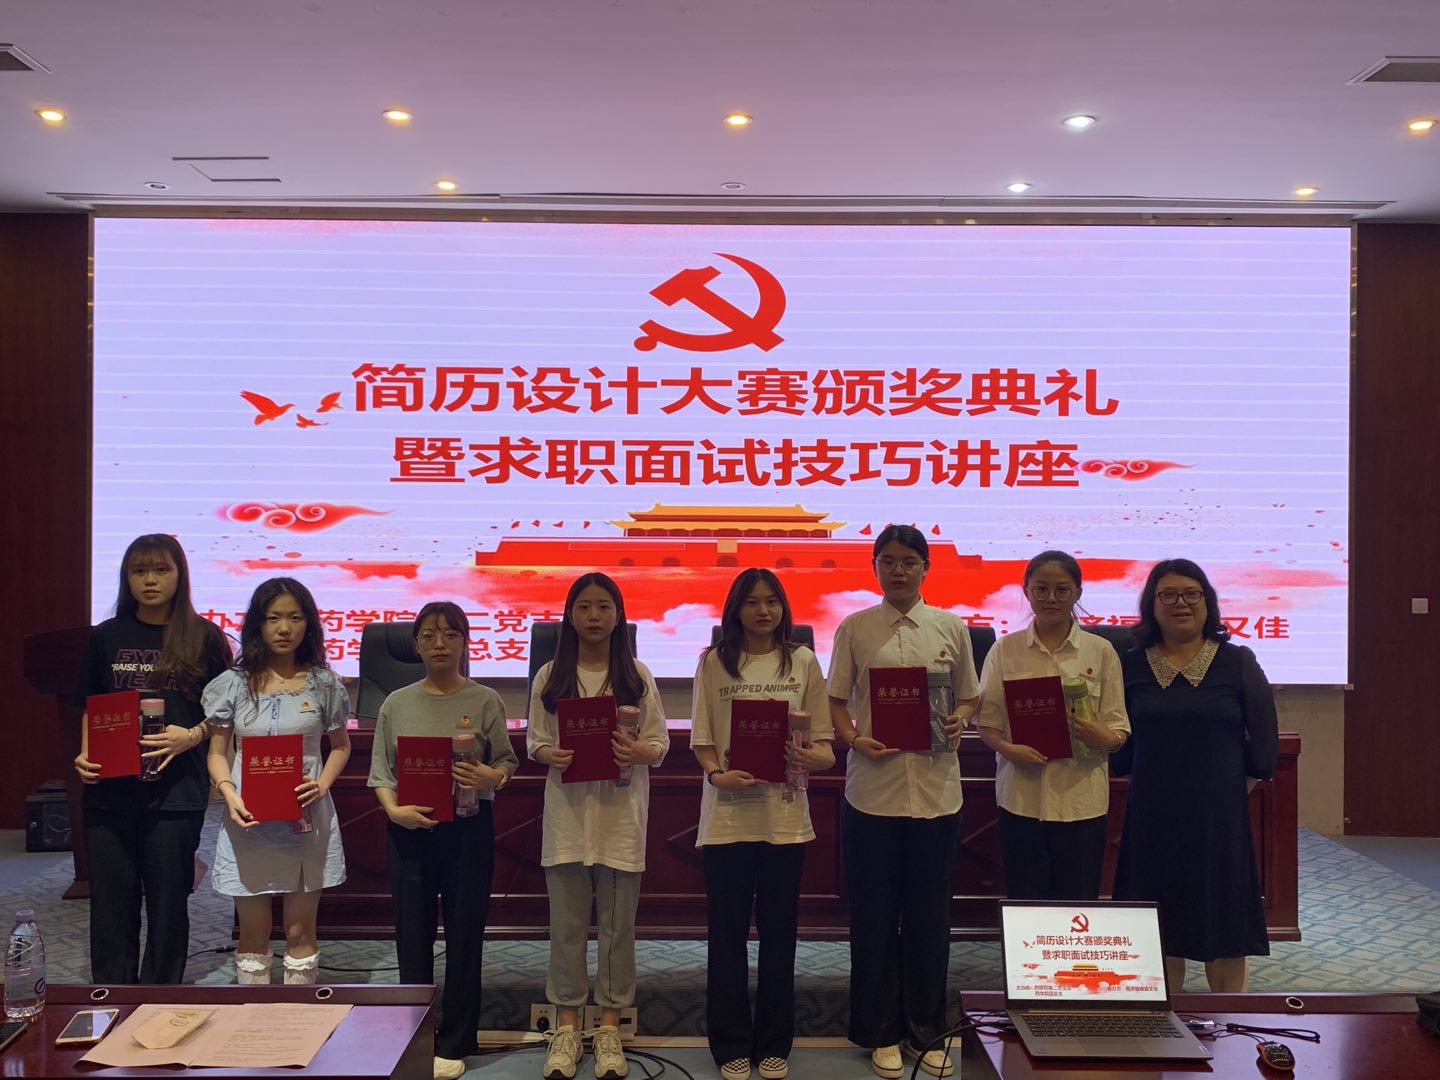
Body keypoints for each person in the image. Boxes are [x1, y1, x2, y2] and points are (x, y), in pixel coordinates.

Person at [827, 525, 978, 1079]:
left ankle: (925, 1029)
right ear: (874, 566)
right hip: (873, 794)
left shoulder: (950, 627)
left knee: (929, 920)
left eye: (908, 561)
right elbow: (836, 701)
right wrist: (852, 738)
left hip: (937, 794)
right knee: (872, 918)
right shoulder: (855, 628)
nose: (897, 570)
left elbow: (969, 695)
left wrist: (959, 719)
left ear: (925, 568)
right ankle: (880, 1032)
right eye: (887, 560)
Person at [690, 569, 835, 1080]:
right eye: (751, 602)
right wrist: (717, 774)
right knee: (726, 935)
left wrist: (808, 757)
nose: (763, 611)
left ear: (783, 608)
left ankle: (774, 1042)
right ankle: (730, 1043)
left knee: (780, 935)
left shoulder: (803, 661)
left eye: (771, 601)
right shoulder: (713, 662)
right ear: (735, 609)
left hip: (784, 819)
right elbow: (703, 740)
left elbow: (825, 747)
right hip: (727, 817)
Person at [1112, 558, 1279, 992]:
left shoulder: (1237, 661)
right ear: (1151, 605)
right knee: (1157, 932)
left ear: (1208, 602)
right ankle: (1161, 1023)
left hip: (1218, 823)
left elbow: (1263, 746)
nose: (1180, 603)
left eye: (1191, 594)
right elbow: (1120, 747)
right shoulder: (1130, 664)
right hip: (1151, 820)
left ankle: (1230, 1022)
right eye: (1167, 595)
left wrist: (1224, 791)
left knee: (1223, 930)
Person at [72, 533, 232, 984]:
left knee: (167, 904)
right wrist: (85, 752)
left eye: (161, 570)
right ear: (127, 578)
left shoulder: (204, 637)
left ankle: (161, 997)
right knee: (111, 905)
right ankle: (112, 996)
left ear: (180, 575)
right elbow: (90, 704)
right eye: (139, 570)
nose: (150, 580)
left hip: (177, 791)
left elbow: (226, 713)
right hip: (110, 791)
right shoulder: (105, 636)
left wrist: (191, 736)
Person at [527, 573, 669, 1080]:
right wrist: (551, 753)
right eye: (584, 607)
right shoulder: (550, 675)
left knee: (616, 930)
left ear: (618, 615)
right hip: (567, 822)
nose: (593, 616)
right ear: (569, 616)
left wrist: (639, 751)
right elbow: (535, 742)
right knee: (566, 929)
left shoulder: (637, 675)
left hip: (619, 820)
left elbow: (660, 745)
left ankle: (609, 1028)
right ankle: (567, 1026)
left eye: (603, 606)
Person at [369, 601, 517, 1080]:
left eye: (450, 634)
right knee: (411, 936)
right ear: (416, 644)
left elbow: (507, 764)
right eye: (429, 635)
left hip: (469, 830)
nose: (439, 644)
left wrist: (489, 776)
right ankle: (414, 1036)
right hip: (409, 831)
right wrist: (394, 811)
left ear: (464, 642)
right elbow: (381, 773)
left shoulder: (485, 700)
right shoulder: (396, 703)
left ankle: (456, 1039)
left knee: (465, 934)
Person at [203, 577, 351, 985]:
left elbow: (341, 746)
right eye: (273, 618)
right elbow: (216, 752)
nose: (284, 628)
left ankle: (297, 1015)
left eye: (294, 618)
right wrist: (228, 793)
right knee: (252, 933)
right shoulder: (233, 683)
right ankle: (255, 1016)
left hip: (306, 819)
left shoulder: (324, 683)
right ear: (257, 624)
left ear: (309, 624)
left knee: (300, 930)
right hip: (247, 819)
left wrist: (322, 784)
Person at [975, 551, 1129, 900]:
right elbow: (987, 723)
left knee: (1077, 904)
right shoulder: (1005, 650)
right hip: (1021, 799)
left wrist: (1104, 737)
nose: (1051, 598)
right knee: (1026, 903)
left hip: (1082, 802)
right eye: (1041, 589)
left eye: (1062, 590)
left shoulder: (1101, 651)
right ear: (1026, 591)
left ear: (1077, 593)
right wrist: (1008, 749)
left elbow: (1119, 729)